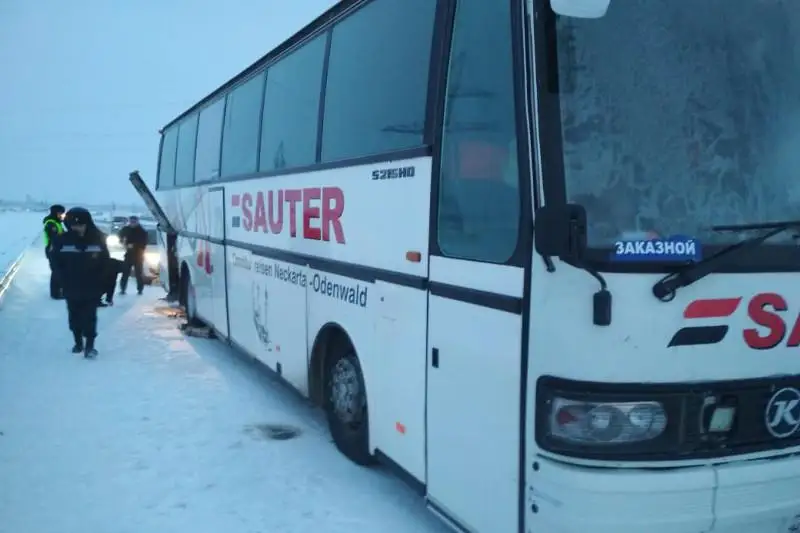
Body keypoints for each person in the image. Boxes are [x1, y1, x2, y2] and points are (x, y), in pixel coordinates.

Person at [51, 207, 109, 357]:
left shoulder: (98, 238)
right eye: (74, 225)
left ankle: (90, 346)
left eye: (81, 225)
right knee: (74, 316)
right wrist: (61, 281)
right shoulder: (61, 240)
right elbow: (55, 263)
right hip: (71, 285)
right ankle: (78, 342)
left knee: (90, 316)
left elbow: (105, 262)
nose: (77, 228)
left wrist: (103, 282)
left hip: (92, 286)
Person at [117, 215, 148, 296]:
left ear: (137, 222)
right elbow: (120, 236)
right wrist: (123, 242)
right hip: (128, 254)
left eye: (134, 222)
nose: (132, 223)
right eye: (131, 222)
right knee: (125, 273)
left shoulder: (142, 231)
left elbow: (144, 243)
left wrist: (134, 245)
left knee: (139, 273)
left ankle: (140, 289)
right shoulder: (126, 229)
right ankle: (123, 289)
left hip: (138, 255)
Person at [42, 204, 66, 299]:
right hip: (53, 249)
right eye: (61, 213)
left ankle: (59, 291)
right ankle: (55, 294)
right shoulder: (51, 223)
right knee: (56, 272)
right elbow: (55, 237)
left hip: (56, 249)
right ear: (56, 213)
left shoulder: (57, 222)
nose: (62, 215)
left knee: (58, 271)